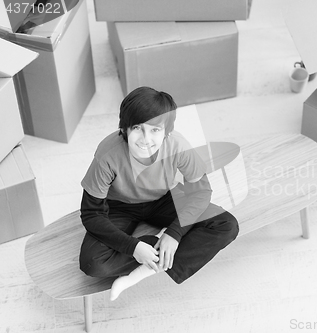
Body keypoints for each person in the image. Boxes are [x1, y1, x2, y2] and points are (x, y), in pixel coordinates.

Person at [78, 86, 239, 301]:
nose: (145, 139)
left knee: (225, 225)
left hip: (166, 198)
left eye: (155, 130)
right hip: (119, 207)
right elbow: (91, 214)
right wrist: (134, 246)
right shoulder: (107, 154)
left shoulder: (178, 145)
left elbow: (200, 191)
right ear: (124, 128)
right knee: (93, 263)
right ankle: (152, 248)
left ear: (167, 132)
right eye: (137, 128)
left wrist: (173, 234)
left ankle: (143, 270)